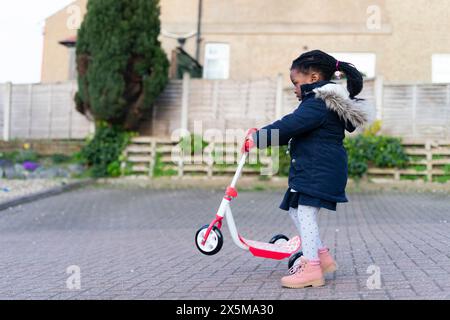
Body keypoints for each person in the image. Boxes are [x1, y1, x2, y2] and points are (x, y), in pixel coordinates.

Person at [243, 50, 373, 289]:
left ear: (313, 78)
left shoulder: (317, 103)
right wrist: (260, 137)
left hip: (318, 169)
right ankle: (321, 257)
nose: (294, 88)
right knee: (295, 209)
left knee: (304, 212)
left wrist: (259, 138)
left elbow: (290, 125)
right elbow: (295, 129)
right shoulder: (319, 102)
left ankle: (312, 268)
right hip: (315, 168)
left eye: (296, 83)